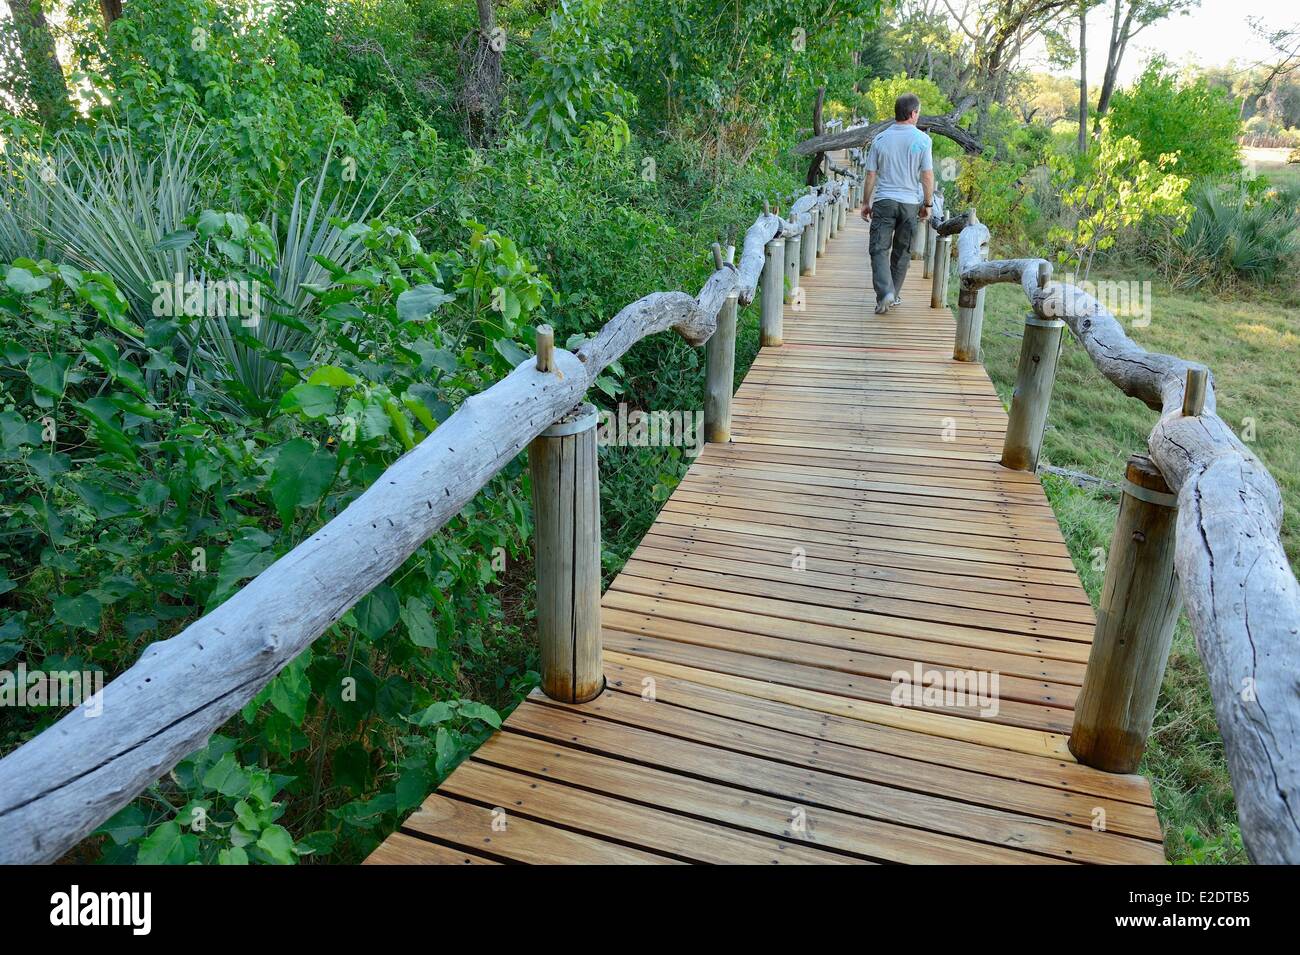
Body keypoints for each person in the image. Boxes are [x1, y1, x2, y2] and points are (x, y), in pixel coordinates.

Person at [860, 93, 935, 314]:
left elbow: (871, 175)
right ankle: (893, 293)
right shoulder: (923, 140)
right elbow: (927, 176)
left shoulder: (880, 139)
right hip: (910, 203)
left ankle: (886, 293)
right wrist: (927, 204)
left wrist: (866, 202)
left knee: (879, 249)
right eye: (918, 113)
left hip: (884, 201)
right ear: (913, 113)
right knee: (902, 251)